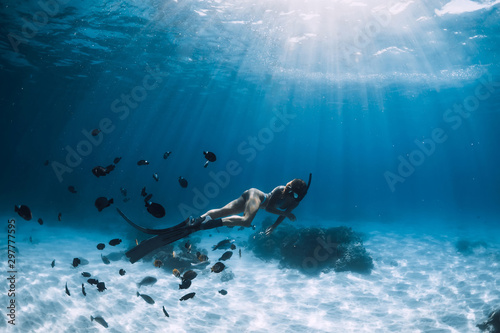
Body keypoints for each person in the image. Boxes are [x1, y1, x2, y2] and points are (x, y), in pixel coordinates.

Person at [118, 174, 311, 263]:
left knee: (221, 210)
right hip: (256, 196)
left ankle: (198, 220)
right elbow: (269, 207)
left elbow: (281, 216)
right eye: (288, 189)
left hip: (252, 197)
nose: (288, 193)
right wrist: (284, 213)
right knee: (246, 221)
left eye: (292, 193)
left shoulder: (295, 202)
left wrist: (276, 226)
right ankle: (206, 223)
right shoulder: (279, 190)